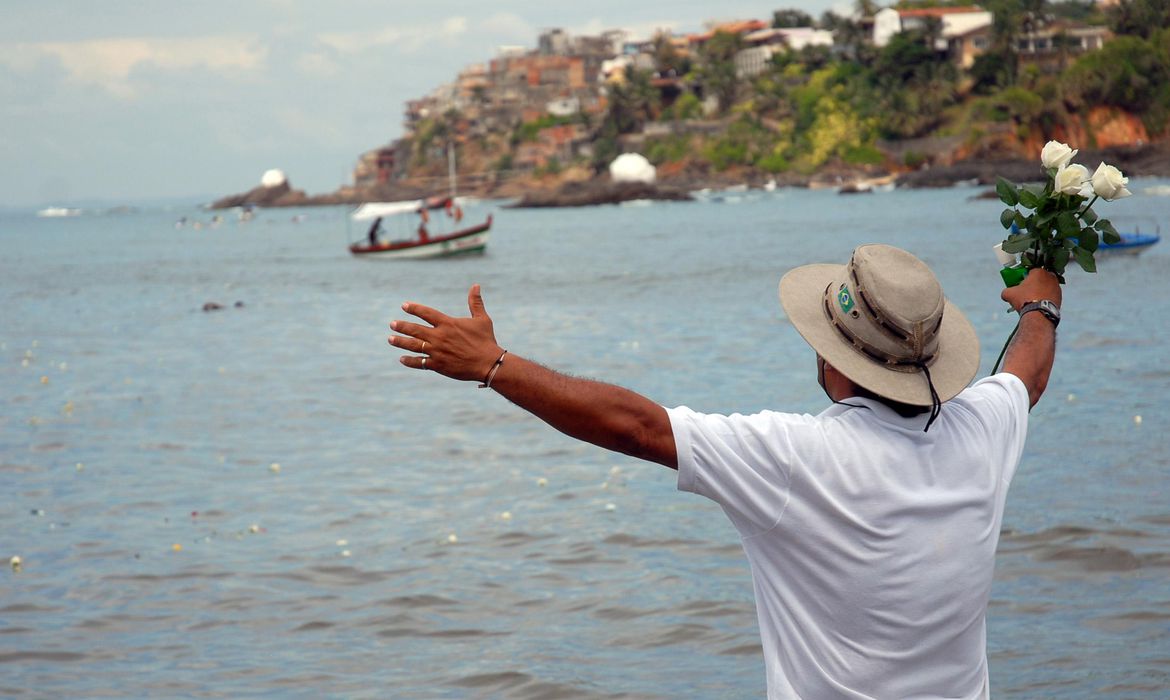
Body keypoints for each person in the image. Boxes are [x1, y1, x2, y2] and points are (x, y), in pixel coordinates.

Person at [387, 244, 1061, 699]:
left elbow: (639, 426)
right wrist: (1041, 304)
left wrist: (494, 365)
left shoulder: (796, 459)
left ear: (834, 360)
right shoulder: (981, 432)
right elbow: (1024, 374)